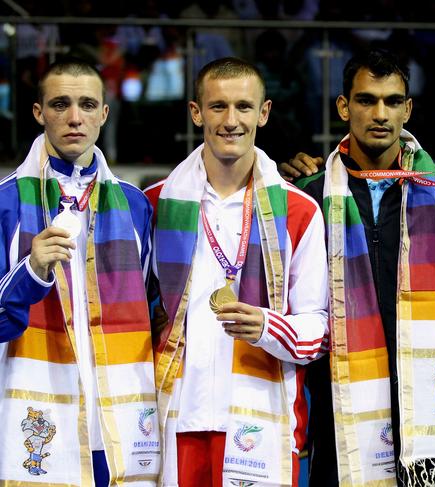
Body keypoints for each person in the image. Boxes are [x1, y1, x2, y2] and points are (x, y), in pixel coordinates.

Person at [290, 48, 435, 486]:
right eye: (366, 100)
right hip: (339, 409)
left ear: (408, 109)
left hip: (426, 413)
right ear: (344, 107)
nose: (380, 113)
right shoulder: (309, 196)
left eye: (393, 101)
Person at [144, 57, 328, 487]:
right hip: (174, 419)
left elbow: (320, 331)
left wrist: (266, 326)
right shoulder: (154, 205)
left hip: (257, 421)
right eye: (218, 107)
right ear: (196, 112)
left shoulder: (299, 212)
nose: (231, 121)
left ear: (263, 113)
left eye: (244, 107)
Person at [0, 58, 160, 486]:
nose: (75, 118)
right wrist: (31, 269)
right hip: (38, 417)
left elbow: (154, 309)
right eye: (60, 104)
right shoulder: (6, 203)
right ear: (39, 113)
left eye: (87, 104)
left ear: (104, 114)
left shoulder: (135, 204)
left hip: (121, 420)